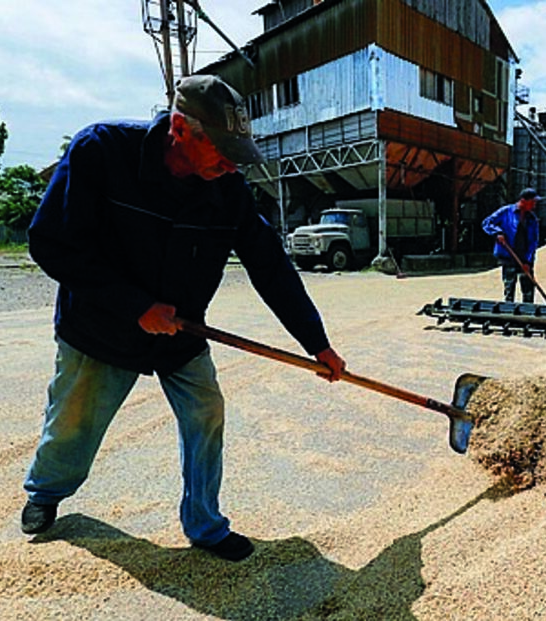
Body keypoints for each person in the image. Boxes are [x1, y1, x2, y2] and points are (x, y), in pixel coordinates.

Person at [20, 74, 346, 562]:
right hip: (101, 326)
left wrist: (316, 343)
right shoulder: (102, 152)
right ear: (179, 128)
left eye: (237, 154)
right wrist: (135, 306)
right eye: (223, 151)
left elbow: (270, 267)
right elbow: (51, 243)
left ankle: (205, 524)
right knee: (73, 421)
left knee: (206, 412)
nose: (231, 164)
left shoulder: (227, 188)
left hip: (181, 330)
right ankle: (46, 492)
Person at [482, 188, 541, 303]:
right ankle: (509, 309)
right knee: (509, 286)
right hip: (508, 255)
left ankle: (527, 310)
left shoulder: (532, 219)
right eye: (532, 202)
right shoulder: (506, 212)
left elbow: (533, 242)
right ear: (523, 201)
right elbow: (487, 223)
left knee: (528, 288)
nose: (534, 205)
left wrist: (528, 261)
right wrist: (498, 233)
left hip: (524, 257)